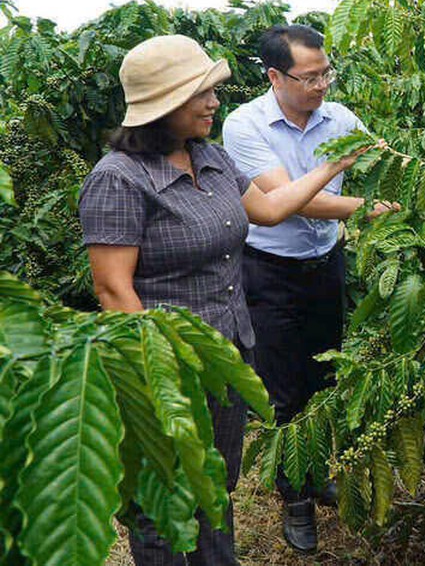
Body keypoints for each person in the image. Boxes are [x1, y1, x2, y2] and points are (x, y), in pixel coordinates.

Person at [79, 35, 367, 566]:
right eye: (202, 94)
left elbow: (272, 209)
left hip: (227, 352)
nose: (215, 102)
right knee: (164, 496)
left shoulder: (209, 158)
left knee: (215, 483)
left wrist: (334, 168)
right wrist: (158, 385)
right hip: (165, 365)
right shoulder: (118, 179)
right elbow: (113, 290)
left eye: (213, 91)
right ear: (165, 104)